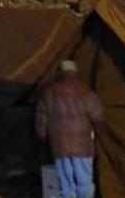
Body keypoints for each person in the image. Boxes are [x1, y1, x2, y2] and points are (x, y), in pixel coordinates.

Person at [36, 60, 104, 198]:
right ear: (74, 72)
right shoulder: (86, 91)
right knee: (84, 181)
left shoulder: (49, 92)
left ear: (59, 72)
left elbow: (41, 120)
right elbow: (98, 117)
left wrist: (43, 137)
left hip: (60, 144)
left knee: (66, 183)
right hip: (83, 145)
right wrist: (97, 132)